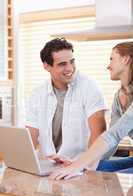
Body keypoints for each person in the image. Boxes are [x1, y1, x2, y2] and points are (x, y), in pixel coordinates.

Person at [49, 41, 133, 180]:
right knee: (94, 171)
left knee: (112, 180)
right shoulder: (119, 97)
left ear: (125, 59)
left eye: (112, 59)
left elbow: (113, 135)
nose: (108, 65)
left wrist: (78, 165)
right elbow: (111, 143)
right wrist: (83, 164)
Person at [25, 38, 107, 161]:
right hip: (47, 165)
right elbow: (31, 135)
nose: (70, 68)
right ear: (47, 66)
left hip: (79, 167)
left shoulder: (89, 87)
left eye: (72, 62)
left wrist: (81, 166)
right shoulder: (37, 94)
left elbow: (99, 132)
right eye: (62, 64)